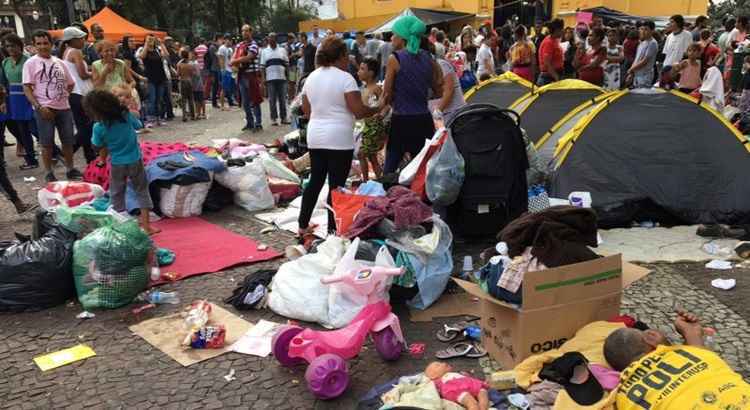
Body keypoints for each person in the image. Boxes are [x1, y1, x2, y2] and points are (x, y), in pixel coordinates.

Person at [297, 36, 379, 239]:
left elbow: (307, 111)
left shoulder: (311, 78)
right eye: (346, 57)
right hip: (339, 138)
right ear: (341, 56)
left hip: (315, 136)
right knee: (336, 186)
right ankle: (333, 231)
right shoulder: (345, 79)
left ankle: (302, 224)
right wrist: (376, 109)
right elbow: (358, 110)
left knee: (315, 180)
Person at [605, 311, 750, 410]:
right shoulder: (691, 354)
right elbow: (694, 337)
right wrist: (687, 330)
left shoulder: (624, 398)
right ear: (650, 337)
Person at [85, 89, 159, 235]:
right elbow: (138, 125)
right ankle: (146, 226)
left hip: (117, 163)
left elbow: (96, 145)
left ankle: (120, 227)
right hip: (135, 160)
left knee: (117, 194)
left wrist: (103, 152)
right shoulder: (125, 116)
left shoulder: (98, 127)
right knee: (142, 191)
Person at [381, 15, 443, 175]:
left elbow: (386, 95)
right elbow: (438, 91)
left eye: (394, 34)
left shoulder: (394, 59)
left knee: (390, 168)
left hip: (401, 120)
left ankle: (389, 197)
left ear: (403, 38)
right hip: (423, 120)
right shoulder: (428, 58)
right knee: (423, 171)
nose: (392, 38)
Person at [23, 30, 82, 182]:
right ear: (34, 45)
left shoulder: (59, 62)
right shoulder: (30, 63)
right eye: (39, 44)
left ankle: (70, 168)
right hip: (44, 109)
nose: (43, 46)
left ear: (51, 44)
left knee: (68, 141)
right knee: (46, 143)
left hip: (64, 108)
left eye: (45, 43)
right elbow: (27, 88)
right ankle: (49, 172)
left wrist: (63, 97)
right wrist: (39, 107)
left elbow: (71, 83)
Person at [60, 26, 95, 164]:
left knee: (83, 126)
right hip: (80, 92)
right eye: (81, 38)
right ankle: (68, 150)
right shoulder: (76, 52)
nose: (83, 41)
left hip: (74, 93)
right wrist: (96, 73)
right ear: (73, 40)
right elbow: (82, 74)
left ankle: (89, 155)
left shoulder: (66, 52)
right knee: (87, 127)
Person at [2, 33, 37, 170]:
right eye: (7, 46)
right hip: (14, 100)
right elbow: (4, 83)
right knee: (22, 132)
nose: (10, 48)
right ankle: (31, 159)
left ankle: (55, 152)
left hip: (28, 98)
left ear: (20, 46)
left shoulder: (28, 61)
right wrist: (4, 101)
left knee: (35, 129)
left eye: (13, 45)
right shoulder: (5, 62)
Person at [356, 57, 387, 182]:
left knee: (361, 154)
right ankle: (380, 180)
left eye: (362, 69)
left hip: (373, 126)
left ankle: (365, 181)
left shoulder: (376, 88)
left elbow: (386, 104)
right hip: (366, 125)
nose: (359, 71)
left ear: (371, 73)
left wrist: (381, 114)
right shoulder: (364, 88)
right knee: (372, 157)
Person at [231, 24, 263, 132]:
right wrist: (234, 61)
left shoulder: (254, 45)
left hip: (251, 75)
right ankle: (249, 122)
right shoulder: (239, 45)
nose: (244, 33)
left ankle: (258, 123)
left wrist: (235, 61)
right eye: (243, 31)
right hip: (241, 75)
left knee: (255, 100)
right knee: (245, 101)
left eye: (246, 31)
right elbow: (234, 56)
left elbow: (249, 57)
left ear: (251, 32)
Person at [429, 41, 466, 119]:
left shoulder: (441, 65)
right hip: (442, 114)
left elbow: (449, 91)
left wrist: (437, 112)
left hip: (452, 114)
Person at [138, 35, 169, 127]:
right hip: (150, 78)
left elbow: (166, 55)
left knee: (159, 99)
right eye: (149, 39)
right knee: (152, 99)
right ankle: (149, 119)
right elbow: (142, 56)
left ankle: (158, 118)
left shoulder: (158, 50)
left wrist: (161, 44)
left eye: (152, 39)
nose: (151, 41)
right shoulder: (143, 50)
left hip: (160, 77)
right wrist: (147, 44)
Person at [260, 32, 289, 126]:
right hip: (270, 79)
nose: (272, 39)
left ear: (276, 39)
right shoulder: (264, 51)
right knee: (272, 99)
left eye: (273, 37)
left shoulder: (282, 50)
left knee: (282, 99)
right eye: (270, 37)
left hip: (282, 78)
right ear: (268, 39)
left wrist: (288, 77)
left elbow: (287, 64)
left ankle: (284, 118)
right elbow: (262, 67)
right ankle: (273, 118)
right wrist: (263, 79)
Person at [627, 21, 658, 89]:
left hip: (645, 76)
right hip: (637, 75)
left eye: (646, 29)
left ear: (652, 31)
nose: (643, 31)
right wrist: (631, 73)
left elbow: (645, 61)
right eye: (641, 29)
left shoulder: (652, 43)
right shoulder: (642, 42)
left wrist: (631, 69)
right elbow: (636, 59)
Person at [538, 18, 564, 85]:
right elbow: (547, 63)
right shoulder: (548, 43)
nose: (563, 31)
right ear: (557, 30)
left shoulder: (554, 40)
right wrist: (556, 77)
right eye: (562, 29)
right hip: (548, 78)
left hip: (552, 77)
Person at [176, 49, 195, 121]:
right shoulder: (190, 64)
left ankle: (184, 116)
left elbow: (178, 74)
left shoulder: (179, 64)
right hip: (189, 81)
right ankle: (193, 115)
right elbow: (192, 74)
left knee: (183, 99)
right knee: (191, 98)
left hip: (182, 81)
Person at [217, 35, 235, 108]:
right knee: (224, 88)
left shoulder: (230, 49)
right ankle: (222, 106)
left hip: (231, 70)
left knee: (230, 88)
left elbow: (232, 59)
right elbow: (221, 60)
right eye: (229, 40)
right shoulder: (222, 48)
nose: (230, 41)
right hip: (225, 70)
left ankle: (230, 103)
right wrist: (222, 70)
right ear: (225, 40)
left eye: (231, 40)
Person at [189, 49, 205, 119]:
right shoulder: (193, 63)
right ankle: (199, 113)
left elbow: (197, 74)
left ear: (195, 56)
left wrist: (191, 73)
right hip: (196, 83)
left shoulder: (194, 63)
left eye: (191, 54)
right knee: (198, 99)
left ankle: (199, 113)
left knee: (198, 99)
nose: (190, 56)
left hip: (197, 84)